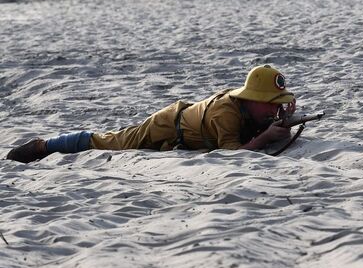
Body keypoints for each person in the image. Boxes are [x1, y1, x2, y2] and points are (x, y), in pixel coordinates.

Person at [6, 65, 297, 164]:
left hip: (183, 128)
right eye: (271, 103)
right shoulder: (226, 114)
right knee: (108, 142)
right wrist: (266, 137)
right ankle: (43, 146)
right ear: (252, 100)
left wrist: (279, 119)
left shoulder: (253, 109)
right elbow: (233, 153)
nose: (275, 108)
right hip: (166, 125)